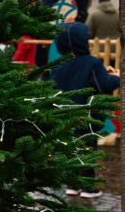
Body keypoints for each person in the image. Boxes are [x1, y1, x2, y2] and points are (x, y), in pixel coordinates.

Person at [51, 22, 120, 199]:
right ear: (83, 40)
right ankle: (88, 187)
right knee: (87, 149)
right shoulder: (92, 63)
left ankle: (72, 184)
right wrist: (117, 78)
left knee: (71, 149)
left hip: (64, 115)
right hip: (86, 116)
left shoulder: (59, 64)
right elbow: (101, 85)